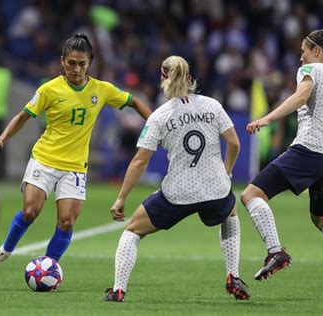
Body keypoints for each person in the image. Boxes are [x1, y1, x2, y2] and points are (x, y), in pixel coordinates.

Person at [0, 33, 151, 272]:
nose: (76, 69)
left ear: (90, 62)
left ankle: (47, 269)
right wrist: (2, 138)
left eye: (82, 63)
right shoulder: (49, 89)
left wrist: (156, 124)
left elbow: (135, 103)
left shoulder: (102, 89)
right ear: (62, 61)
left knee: (67, 222)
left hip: (75, 167)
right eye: (71, 63)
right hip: (44, 159)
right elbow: (23, 116)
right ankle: (5, 250)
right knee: (30, 211)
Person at [240, 25, 323, 299]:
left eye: (304, 51)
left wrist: (267, 119)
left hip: (309, 149)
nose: (300, 57)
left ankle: (276, 251)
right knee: (321, 218)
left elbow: (300, 97)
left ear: (316, 50)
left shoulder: (310, 71)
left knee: (250, 194)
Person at [104, 55, 248, 302]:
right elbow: (234, 142)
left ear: (163, 79)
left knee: (132, 230)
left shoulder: (159, 116)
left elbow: (140, 160)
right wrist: (227, 171)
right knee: (230, 212)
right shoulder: (212, 105)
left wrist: (121, 198)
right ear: (190, 79)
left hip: (178, 193)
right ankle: (233, 275)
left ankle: (118, 290)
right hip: (215, 189)